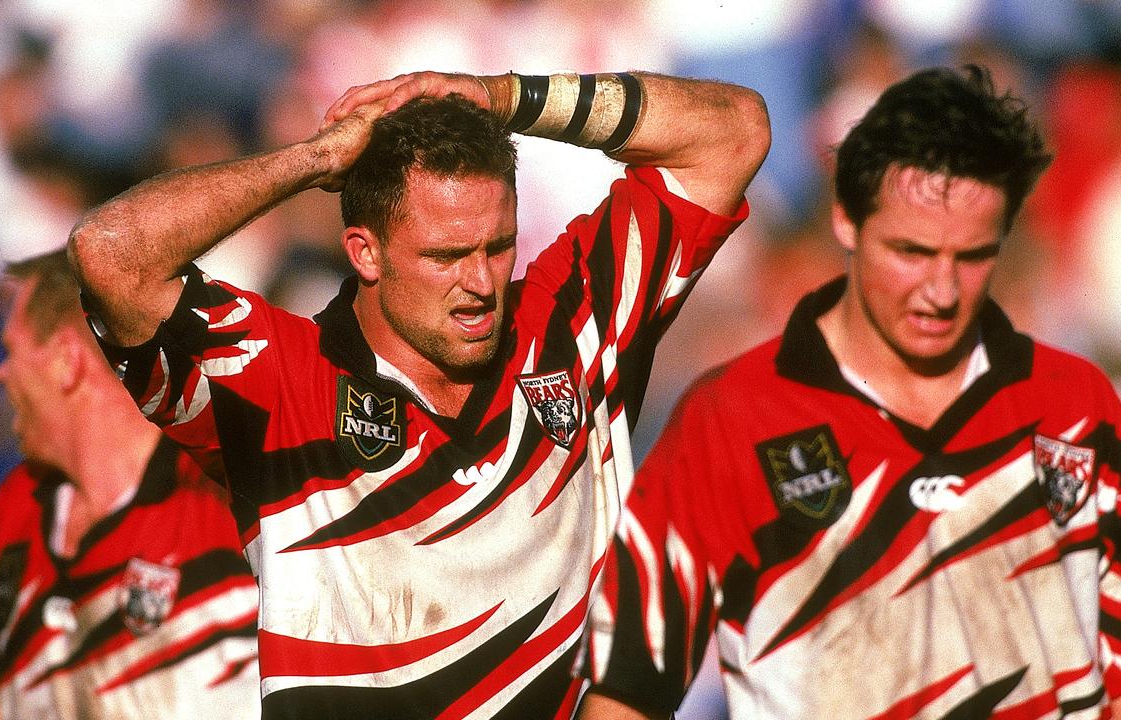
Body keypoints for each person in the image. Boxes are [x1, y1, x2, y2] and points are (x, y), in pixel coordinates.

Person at [67, 69, 770, 719]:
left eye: (498, 246)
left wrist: (501, 97)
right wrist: (314, 159)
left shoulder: (573, 321)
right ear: (364, 251)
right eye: (444, 256)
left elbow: (734, 131)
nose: (481, 284)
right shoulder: (278, 377)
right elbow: (110, 251)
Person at [578, 65, 1121, 720]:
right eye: (910, 252)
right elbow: (629, 691)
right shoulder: (732, 418)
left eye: (970, 256)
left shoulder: (1073, 405)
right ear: (847, 223)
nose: (940, 292)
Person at [0, 250, 260, 719]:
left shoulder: (223, 494)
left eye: (12, 350)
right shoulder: (17, 506)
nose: (1, 372)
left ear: (67, 362)